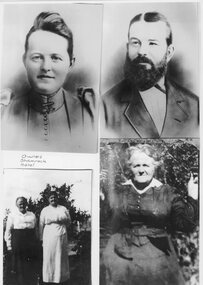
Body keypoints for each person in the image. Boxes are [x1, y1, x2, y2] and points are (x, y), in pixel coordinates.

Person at [100, 144, 198, 285]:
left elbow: (185, 225)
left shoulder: (167, 193)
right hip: (120, 258)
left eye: (146, 165)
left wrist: (192, 197)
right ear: (130, 168)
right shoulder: (119, 191)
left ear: (154, 167)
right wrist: (102, 197)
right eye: (136, 166)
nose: (141, 170)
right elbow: (105, 221)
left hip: (158, 259)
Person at [1, 11, 97, 153]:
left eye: (55, 58)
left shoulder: (89, 114)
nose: (45, 67)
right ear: (24, 60)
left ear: (70, 63)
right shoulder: (5, 114)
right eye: (37, 57)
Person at [101, 11, 199, 138]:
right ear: (127, 47)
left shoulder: (194, 105)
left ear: (169, 52)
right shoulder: (107, 105)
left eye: (152, 43)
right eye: (135, 43)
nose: (142, 51)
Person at [39, 190, 71, 284]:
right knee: (50, 256)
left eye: (55, 197)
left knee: (61, 256)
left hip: (61, 234)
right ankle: (49, 278)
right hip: (49, 235)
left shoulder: (63, 208)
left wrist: (62, 225)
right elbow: (41, 224)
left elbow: (69, 221)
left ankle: (61, 278)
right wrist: (41, 238)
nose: (53, 199)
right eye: (51, 197)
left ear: (57, 198)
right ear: (48, 199)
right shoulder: (45, 210)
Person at [4, 197, 38, 285]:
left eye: (23, 203)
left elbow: (35, 229)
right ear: (16, 205)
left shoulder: (32, 215)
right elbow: (8, 230)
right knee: (19, 266)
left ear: (26, 204)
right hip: (18, 243)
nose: (22, 205)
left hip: (30, 243)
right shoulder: (12, 215)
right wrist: (9, 245)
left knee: (30, 266)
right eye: (20, 204)